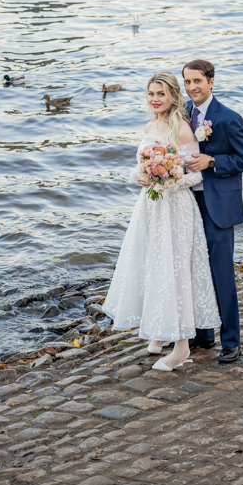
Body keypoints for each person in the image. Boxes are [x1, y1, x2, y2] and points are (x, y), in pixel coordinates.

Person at [102, 71, 220, 372]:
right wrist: (145, 175)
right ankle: (157, 330)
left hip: (176, 208)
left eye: (161, 94)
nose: (155, 99)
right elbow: (140, 166)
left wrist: (169, 179)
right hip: (151, 207)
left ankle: (181, 347)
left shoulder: (181, 129)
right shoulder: (150, 124)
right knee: (151, 264)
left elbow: (195, 174)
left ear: (173, 97)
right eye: (151, 94)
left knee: (175, 269)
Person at [182, 59, 243, 363]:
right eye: (187, 82)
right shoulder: (182, 114)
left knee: (222, 274)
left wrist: (213, 162)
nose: (192, 88)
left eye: (197, 81)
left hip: (218, 206)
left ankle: (231, 341)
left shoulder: (227, 118)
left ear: (211, 81)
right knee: (194, 270)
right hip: (187, 204)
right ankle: (203, 334)